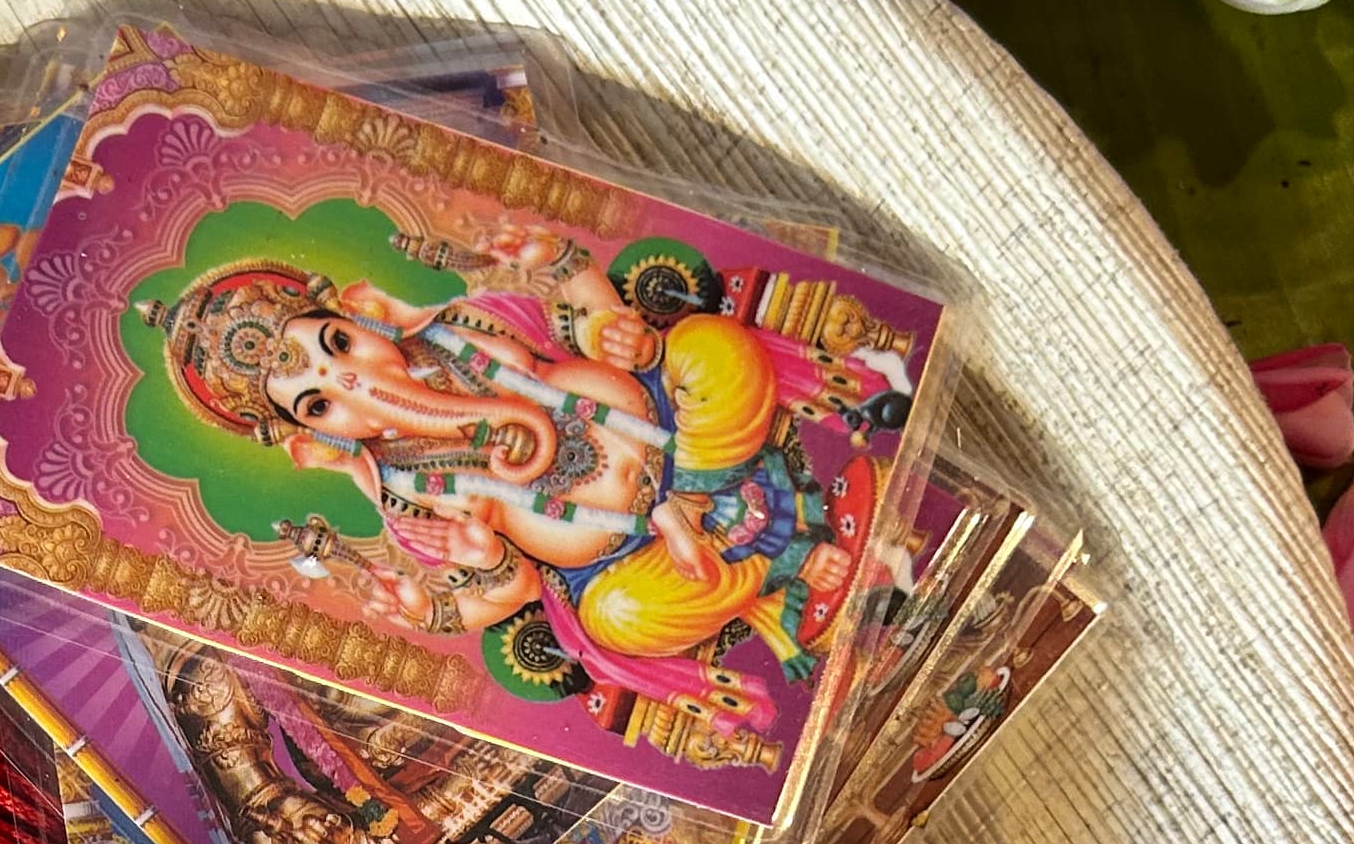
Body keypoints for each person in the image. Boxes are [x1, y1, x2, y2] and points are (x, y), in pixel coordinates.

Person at [151, 225, 861, 716]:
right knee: (619, 618)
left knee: (713, 348)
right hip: (632, 554)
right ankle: (773, 577)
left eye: (339, 343)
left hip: (684, 433)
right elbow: (502, 594)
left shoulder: (465, 326)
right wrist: (456, 585)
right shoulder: (409, 496)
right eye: (318, 401)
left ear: (361, 311)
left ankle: (742, 532)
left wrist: (613, 326)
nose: (352, 381)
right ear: (311, 442)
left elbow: (572, 319)